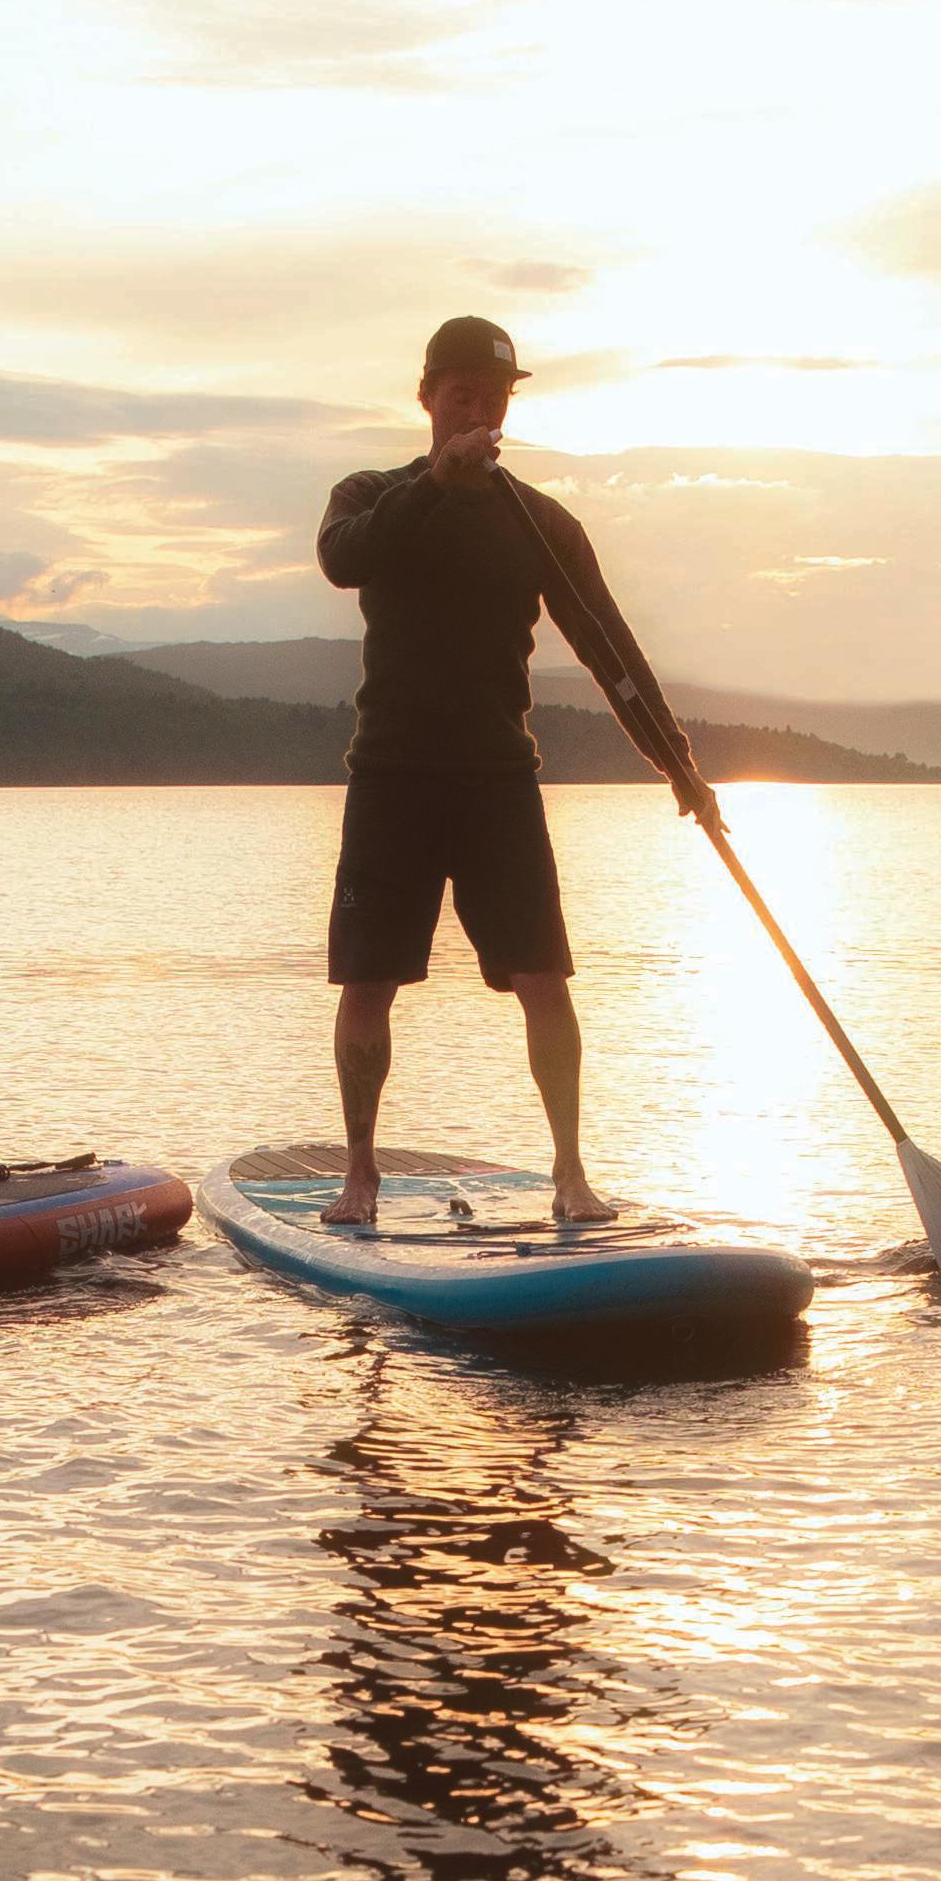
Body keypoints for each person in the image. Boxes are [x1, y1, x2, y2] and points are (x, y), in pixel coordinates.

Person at [310, 313, 690, 1229]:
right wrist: (434, 486)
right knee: (368, 984)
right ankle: (359, 1177)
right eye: (462, 396)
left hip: (498, 782)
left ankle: (571, 1174)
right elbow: (341, 558)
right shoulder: (371, 494)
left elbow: (609, 648)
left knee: (543, 981)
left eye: (494, 398)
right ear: (429, 398)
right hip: (392, 778)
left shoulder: (540, 523)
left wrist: (681, 769)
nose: (479, 413)